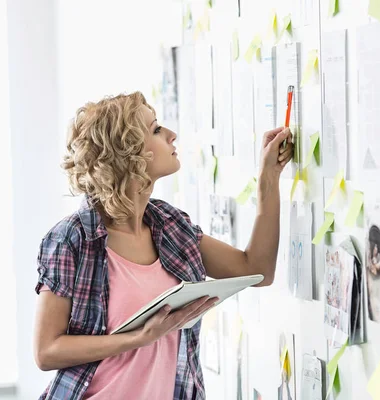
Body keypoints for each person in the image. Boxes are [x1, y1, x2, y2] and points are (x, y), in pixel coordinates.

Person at [33, 92, 294, 399]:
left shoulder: (171, 226)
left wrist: (269, 177)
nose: (172, 135)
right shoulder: (72, 239)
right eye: (156, 129)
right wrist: (138, 338)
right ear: (127, 154)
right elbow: (47, 351)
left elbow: (257, 270)